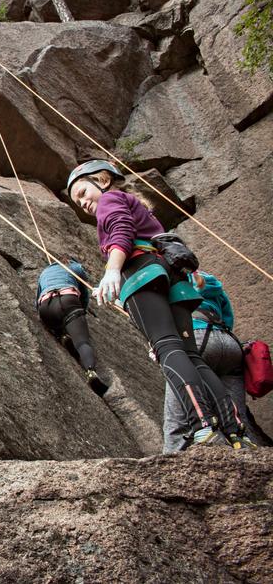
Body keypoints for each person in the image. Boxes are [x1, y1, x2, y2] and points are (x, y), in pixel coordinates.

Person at [67, 159, 254, 449]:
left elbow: (120, 229)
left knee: (167, 348)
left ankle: (201, 425)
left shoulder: (111, 199)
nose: (83, 203)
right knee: (190, 355)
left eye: (82, 193)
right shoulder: (136, 205)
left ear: (103, 180)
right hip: (173, 280)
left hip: (142, 274)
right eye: (77, 202)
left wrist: (113, 269)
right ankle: (235, 430)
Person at [161, 271, 268, 451]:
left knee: (179, 411)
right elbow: (228, 317)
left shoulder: (167, 277)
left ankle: (171, 457)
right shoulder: (210, 281)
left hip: (195, 337)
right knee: (236, 415)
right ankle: (246, 453)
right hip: (228, 344)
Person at [36, 258, 109, 396]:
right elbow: (84, 296)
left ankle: (62, 335)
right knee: (82, 342)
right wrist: (81, 314)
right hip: (68, 299)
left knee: (55, 323)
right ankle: (90, 371)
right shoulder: (75, 268)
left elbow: (37, 301)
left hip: (46, 306)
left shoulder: (44, 272)